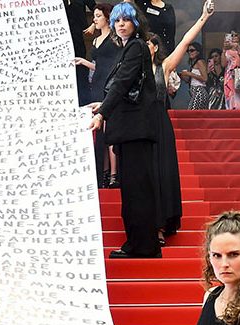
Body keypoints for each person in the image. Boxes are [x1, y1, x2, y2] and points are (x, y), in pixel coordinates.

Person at [89, 1, 160, 259]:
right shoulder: (131, 48)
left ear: (135, 23)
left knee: (136, 190)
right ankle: (141, 244)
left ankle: (141, 246)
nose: (120, 24)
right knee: (133, 189)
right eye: (117, 20)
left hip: (135, 129)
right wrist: (104, 104)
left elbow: (122, 83)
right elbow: (119, 86)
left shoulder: (136, 47)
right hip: (132, 129)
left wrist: (102, 113)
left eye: (125, 20)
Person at [150, 0, 213, 242]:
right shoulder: (132, 68)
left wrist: (203, 18)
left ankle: (162, 224)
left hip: (160, 125)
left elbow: (185, 41)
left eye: (147, 45)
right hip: (140, 126)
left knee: (163, 174)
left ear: (155, 48)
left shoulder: (164, 67)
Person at [76, 3, 117, 186]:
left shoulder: (115, 38)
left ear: (107, 17)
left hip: (109, 85)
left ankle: (114, 175)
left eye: (98, 16)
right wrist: (84, 62)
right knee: (99, 132)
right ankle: (104, 172)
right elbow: (99, 66)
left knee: (109, 130)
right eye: (94, 16)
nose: (94, 19)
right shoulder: (95, 41)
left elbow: (114, 66)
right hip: (96, 84)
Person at [64, 0, 94, 105]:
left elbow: (96, 7)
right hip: (57, 39)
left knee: (80, 68)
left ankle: (83, 102)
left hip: (77, 37)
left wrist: (94, 24)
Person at [222, 31, 240, 110]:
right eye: (232, 36)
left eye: (236, 35)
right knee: (230, 98)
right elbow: (223, 64)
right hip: (229, 77)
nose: (234, 37)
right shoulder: (227, 51)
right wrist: (224, 50)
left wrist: (239, 50)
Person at [179, 41, 209, 110]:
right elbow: (191, 81)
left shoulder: (200, 62)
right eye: (188, 51)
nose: (190, 52)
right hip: (195, 92)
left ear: (198, 52)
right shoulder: (194, 63)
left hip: (199, 91)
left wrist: (190, 74)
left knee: (191, 113)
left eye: (192, 50)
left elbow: (205, 78)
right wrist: (181, 75)